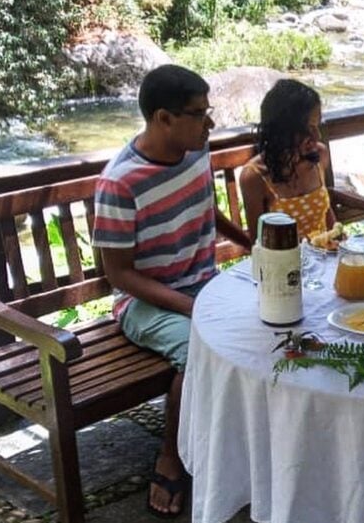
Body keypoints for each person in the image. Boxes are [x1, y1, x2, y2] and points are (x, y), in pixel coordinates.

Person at [92, 64, 252, 519]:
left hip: (203, 286)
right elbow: (119, 276)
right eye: (199, 113)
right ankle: (172, 456)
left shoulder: (194, 150)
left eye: (209, 110)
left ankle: (242, 444)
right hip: (144, 302)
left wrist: (250, 245)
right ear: (163, 119)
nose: (210, 123)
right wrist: (191, 305)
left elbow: (206, 205)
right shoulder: (120, 183)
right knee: (198, 348)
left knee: (269, 319)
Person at [239, 78, 336, 244]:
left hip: (324, 258)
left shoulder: (320, 155)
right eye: (308, 129)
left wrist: (340, 239)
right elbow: (259, 243)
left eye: (317, 126)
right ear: (283, 131)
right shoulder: (254, 177)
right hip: (285, 264)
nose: (317, 136)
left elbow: (325, 211)